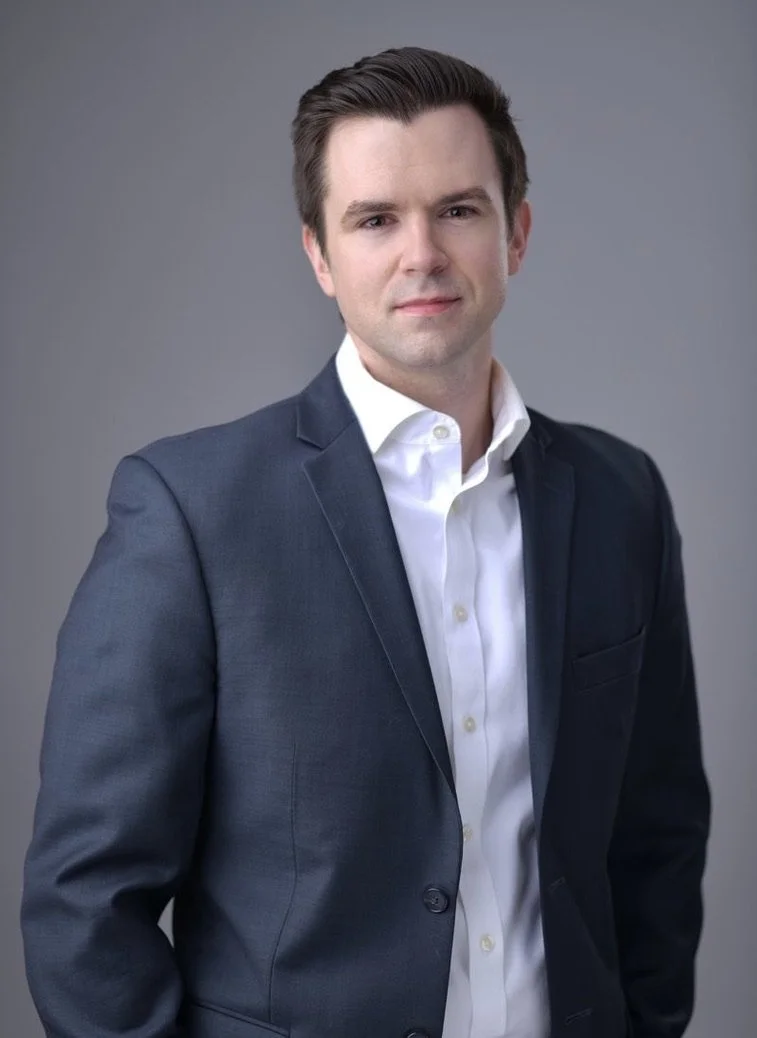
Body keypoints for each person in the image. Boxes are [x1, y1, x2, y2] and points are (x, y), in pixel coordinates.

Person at [21, 45, 710, 1038]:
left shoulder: (619, 499)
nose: (420, 253)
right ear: (319, 255)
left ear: (516, 231)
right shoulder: (191, 510)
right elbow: (86, 901)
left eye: (458, 210)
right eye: (376, 219)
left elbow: (656, 838)